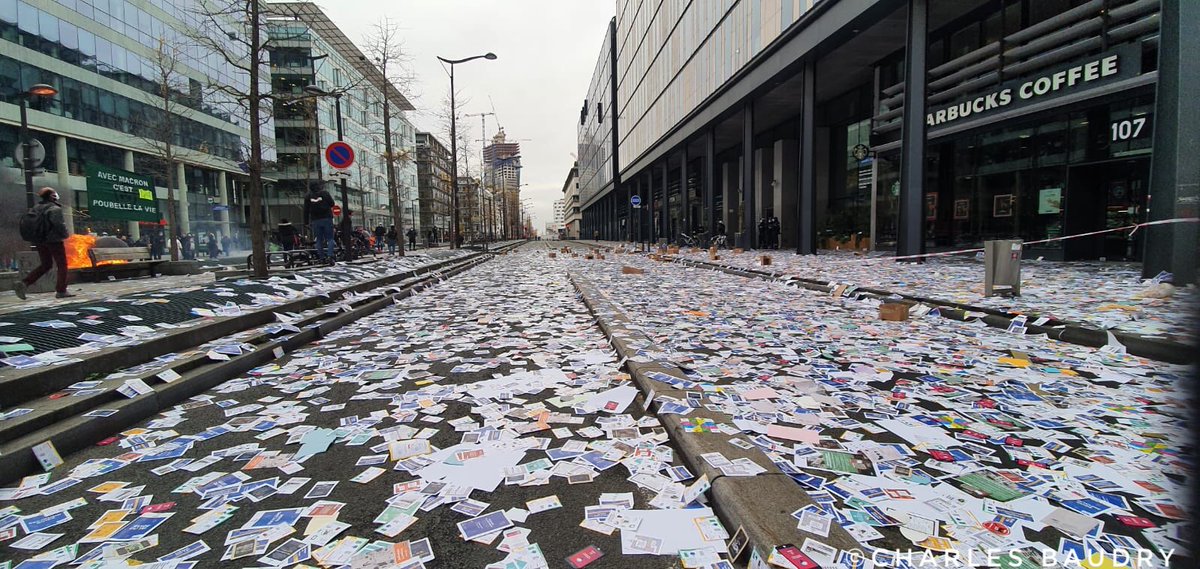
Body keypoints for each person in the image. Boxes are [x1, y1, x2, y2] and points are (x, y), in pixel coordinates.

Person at [14, 187, 73, 299]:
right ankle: (61, 290)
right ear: (52, 196)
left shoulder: (36, 208)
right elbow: (59, 225)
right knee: (62, 265)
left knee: (46, 264)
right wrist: (66, 235)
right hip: (54, 241)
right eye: (54, 193)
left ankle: (24, 283)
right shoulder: (54, 209)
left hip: (40, 240)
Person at [305, 185, 336, 264]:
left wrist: (306, 222)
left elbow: (306, 210)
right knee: (330, 238)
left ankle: (321, 258)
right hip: (327, 218)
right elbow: (332, 204)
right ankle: (330, 256)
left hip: (315, 220)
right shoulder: (325, 193)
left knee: (319, 240)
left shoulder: (308, 196)